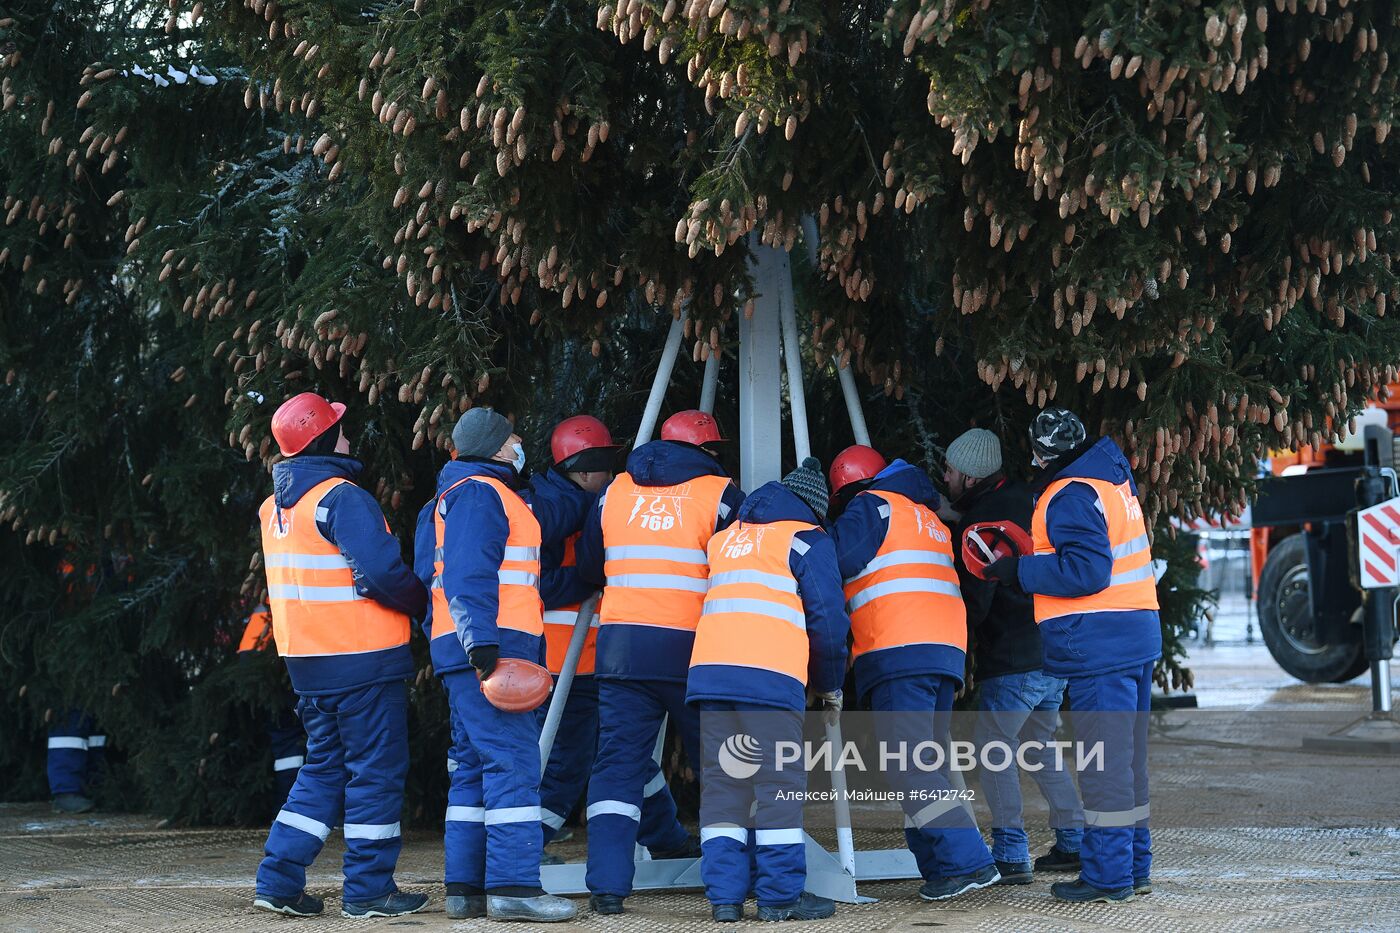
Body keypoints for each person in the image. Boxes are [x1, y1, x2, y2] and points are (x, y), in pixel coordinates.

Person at [253, 392, 429, 919]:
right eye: (340, 428)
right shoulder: (342, 497)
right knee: (375, 771)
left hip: (308, 666)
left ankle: (278, 880)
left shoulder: (274, 507)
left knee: (323, 769)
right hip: (364, 661)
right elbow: (379, 574)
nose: (348, 436)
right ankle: (370, 890)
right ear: (325, 439)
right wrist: (424, 604)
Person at [982, 408, 1161, 904]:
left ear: (1043, 454)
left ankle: (1107, 877)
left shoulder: (1069, 494)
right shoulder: (1111, 485)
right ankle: (1133, 867)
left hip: (1100, 645)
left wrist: (1017, 572)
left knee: (1104, 767)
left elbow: (1086, 573)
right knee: (1126, 765)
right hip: (1133, 635)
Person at [574, 410, 745, 914]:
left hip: (622, 653)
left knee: (617, 770)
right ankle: (727, 897)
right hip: (696, 653)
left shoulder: (615, 491)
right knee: (721, 772)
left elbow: (590, 567)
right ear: (708, 452)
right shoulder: (720, 495)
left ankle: (606, 889)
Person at [415, 407, 576, 923]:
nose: (520, 444)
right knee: (513, 762)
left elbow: (432, 577)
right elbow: (467, 572)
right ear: (496, 448)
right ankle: (513, 886)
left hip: (464, 648)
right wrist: (482, 644)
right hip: (493, 647)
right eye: (512, 438)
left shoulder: (451, 496)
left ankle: (466, 889)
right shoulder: (484, 493)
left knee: (471, 768)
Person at [827, 445, 1000, 900]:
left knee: (907, 765)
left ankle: (969, 861)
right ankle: (942, 868)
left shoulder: (869, 506)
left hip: (897, 648)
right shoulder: (924, 515)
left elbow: (833, 563)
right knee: (924, 764)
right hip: (942, 651)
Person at [529, 416, 696, 863]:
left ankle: (666, 838)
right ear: (584, 472)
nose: (615, 477)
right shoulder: (556, 510)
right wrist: (587, 579)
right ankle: (529, 845)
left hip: (594, 657)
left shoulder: (570, 501)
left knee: (630, 757)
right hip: (566, 661)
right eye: (605, 469)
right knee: (567, 763)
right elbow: (538, 583)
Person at [688, 458, 849, 923]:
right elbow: (828, 622)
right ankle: (780, 897)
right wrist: (829, 685)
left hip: (712, 675)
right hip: (769, 676)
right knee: (778, 787)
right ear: (812, 510)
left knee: (722, 788)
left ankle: (724, 898)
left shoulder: (725, 540)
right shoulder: (807, 539)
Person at [943, 428, 1084, 884]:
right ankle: (1074, 843)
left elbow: (978, 602)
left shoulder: (977, 524)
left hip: (1012, 660)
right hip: (1054, 648)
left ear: (967, 476)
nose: (944, 477)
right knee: (1040, 749)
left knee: (993, 752)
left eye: (948, 470)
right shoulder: (1033, 500)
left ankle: (1010, 853)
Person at [237, 603, 306, 804]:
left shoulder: (265, 594)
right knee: (305, 733)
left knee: (285, 739)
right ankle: (302, 806)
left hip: (253, 662)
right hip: (278, 659)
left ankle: (286, 807)